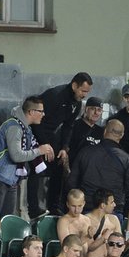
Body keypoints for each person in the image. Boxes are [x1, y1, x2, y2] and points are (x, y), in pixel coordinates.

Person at [30, 72, 93, 217]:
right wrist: (44, 144)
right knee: (36, 168)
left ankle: (54, 206)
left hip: (52, 135)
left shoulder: (76, 103)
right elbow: (37, 121)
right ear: (74, 86)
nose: (84, 95)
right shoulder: (55, 96)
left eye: (87, 92)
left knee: (60, 163)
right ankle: (33, 208)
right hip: (35, 131)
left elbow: (68, 126)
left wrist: (64, 148)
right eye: (83, 91)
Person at [0, 96, 54, 218]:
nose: (43, 114)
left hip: (11, 180)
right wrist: (39, 151)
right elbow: (16, 155)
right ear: (31, 112)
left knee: (7, 220)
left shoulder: (26, 129)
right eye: (41, 111)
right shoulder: (14, 127)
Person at [67, 120, 129, 219]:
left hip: (86, 211)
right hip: (113, 213)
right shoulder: (127, 160)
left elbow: (71, 184)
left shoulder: (85, 152)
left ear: (105, 131)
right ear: (121, 135)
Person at [83, 190, 123, 257]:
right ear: (102, 205)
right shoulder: (86, 220)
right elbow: (89, 248)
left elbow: (120, 245)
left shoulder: (114, 219)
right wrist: (103, 238)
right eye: (111, 202)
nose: (114, 205)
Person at [67, 96, 104, 164]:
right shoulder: (73, 126)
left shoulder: (101, 131)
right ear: (86, 109)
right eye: (93, 109)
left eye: (99, 110)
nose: (96, 113)